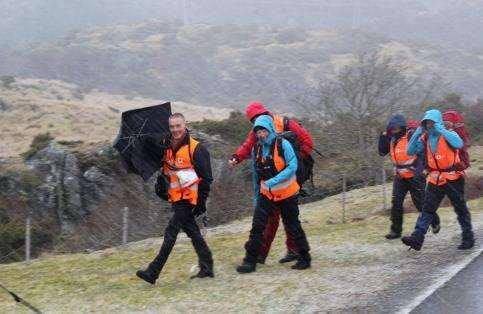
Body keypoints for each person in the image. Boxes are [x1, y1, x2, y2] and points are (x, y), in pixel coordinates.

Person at [229, 101, 314, 264]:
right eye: (253, 120)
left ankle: (284, 252)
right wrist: (236, 157)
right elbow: (248, 146)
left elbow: (307, 142)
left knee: (284, 217)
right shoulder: (261, 128)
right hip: (272, 181)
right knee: (279, 217)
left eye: (256, 118)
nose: (256, 122)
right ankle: (280, 252)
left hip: (289, 179)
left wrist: (293, 165)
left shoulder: (283, 124)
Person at [136, 113, 214, 284]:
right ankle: (207, 266)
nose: (175, 130)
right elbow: (167, 170)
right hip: (175, 198)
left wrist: (201, 203)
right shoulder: (166, 147)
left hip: (189, 200)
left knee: (170, 232)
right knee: (193, 232)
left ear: (185, 125)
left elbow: (207, 179)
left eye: (178, 126)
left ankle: (153, 271)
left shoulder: (197, 149)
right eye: (172, 127)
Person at [401, 109, 474, 250]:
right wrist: (417, 132)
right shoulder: (425, 138)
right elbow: (409, 152)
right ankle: (417, 238)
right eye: (426, 123)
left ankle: (468, 238)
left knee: (461, 209)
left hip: (453, 178)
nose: (429, 125)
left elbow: (458, 144)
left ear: (438, 122)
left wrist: (441, 129)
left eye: (431, 122)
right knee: (427, 210)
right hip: (435, 179)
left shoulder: (449, 134)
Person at [378, 114, 440, 239]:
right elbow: (382, 152)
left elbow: (423, 153)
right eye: (391, 129)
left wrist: (421, 170)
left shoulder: (411, 136)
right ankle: (395, 231)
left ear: (402, 127)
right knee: (396, 203)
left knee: (420, 202)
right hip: (400, 177)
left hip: (415, 176)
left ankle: (434, 221)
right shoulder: (392, 139)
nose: (393, 131)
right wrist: (382, 137)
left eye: (395, 128)